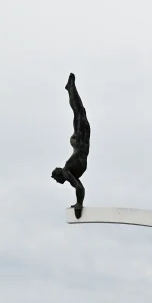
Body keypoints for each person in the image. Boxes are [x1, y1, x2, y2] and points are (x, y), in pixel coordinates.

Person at [52, 73, 90, 218]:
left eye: (56, 179)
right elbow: (79, 187)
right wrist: (79, 203)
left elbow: (79, 187)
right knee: (79, 112)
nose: (58, 181)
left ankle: (71, 87)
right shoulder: (68, 172)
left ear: (59, 174)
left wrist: (79, 204)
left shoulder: (67, 172)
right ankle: (70, 88)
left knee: (79, 112)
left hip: (80, 144)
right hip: (80, 146)